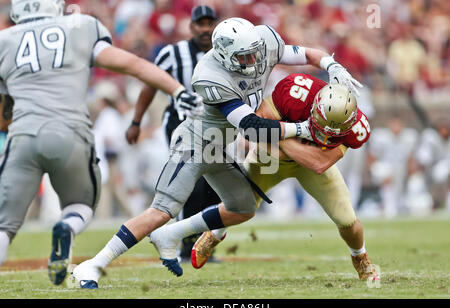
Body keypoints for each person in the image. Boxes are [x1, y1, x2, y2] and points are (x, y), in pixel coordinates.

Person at [72, 17, 362, 288]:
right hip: (195, 144)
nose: (253, 61)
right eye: (244, 58)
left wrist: (331, 65)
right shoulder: (210, 76)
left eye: (255, 54)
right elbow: (251, 127)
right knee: (162, 210)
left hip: (218, 146)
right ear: (224, 55)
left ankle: (168, 236)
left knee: (243, 207)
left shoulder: (262, 42)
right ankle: (93, 265)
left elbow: (306, 55)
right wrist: (301, 129)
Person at [0, 0, 202, 286]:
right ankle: (67, 227)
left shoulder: (4, 39)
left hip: (22, 136)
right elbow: (131, 64)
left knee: (3, 227)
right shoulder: (80, 26)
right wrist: (177, 90)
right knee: (81, 205)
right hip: (71, 133)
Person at [189, 73, 378, 281]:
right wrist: (290, 136)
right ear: (315, 106)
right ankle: (215, 233)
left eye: (332, 133)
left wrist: (279, 134)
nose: (323, 135)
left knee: (348, 220)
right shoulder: (296, 93)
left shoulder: (356, 129)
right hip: (268, 159)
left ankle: (359, 256)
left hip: (305, 165)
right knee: (239, 205)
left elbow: (318, 163)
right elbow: (255, 127)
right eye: (321, 126)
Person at [125, 5, 221, 262]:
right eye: (200, 24)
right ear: (191, 27)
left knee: (213, 187)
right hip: (181, 126)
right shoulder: (173, 53)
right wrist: (136, 121)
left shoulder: (225, 53)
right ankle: (184, 244)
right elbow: (150, 86)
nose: (205, 29)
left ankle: (201, 247)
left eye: (209, 23)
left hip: (216, 127)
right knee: (193, 183)